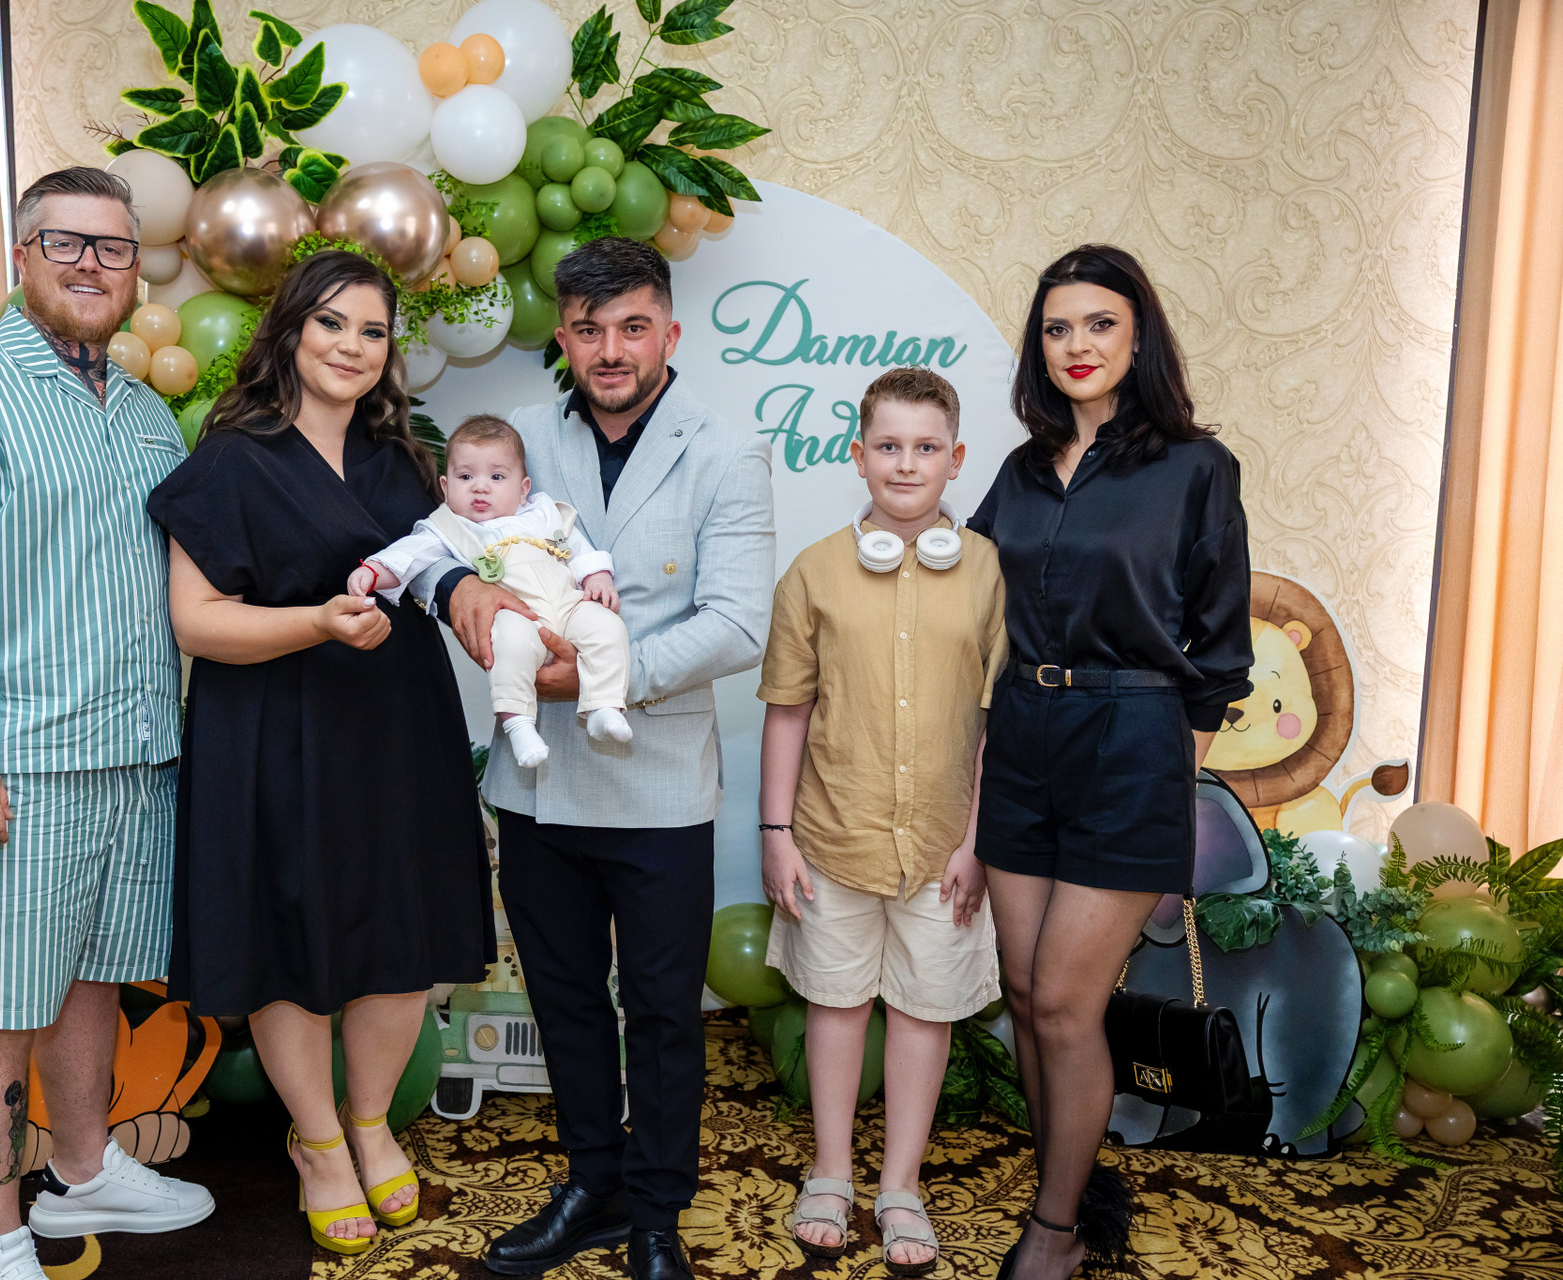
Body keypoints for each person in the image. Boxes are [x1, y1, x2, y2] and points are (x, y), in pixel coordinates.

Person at [0, 167, 215, 1280]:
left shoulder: (146, 413)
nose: (92, 264)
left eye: (115, 247)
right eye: (67, 242)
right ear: (22, 256)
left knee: (92, 979)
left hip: (134, 756)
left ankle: (86, 1171)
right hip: (16, 769)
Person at [408, 237, 775, 1280]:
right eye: (589, 328)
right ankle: (592, 1183)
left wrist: (598, 677)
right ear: (564, 337)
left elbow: (737, 623)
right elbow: (433, 550)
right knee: (563, 1000)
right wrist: (459, 589)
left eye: (632, 327)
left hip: (659, 785)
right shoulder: (516, 441)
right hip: (538, 785)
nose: (611, 349)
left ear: (669, 332)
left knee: (661, 1014)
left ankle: (656, 1209)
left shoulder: (727, 452)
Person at [146, 249, 495, 1258]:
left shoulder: (405, 458)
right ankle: (317, 1140)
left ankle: (371, 1119)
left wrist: (486, 594)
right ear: (292, 328)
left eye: (372, 331)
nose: (351, 346)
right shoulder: (231, 458)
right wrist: (315, 622)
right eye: (332, 323)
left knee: (401, 928)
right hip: (271, 729)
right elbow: (196, 620)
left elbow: (437, 576)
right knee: (285, 938)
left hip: (397, 725)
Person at [966, 245, 1252, 1280]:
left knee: (1063, 1001)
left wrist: (1169, 781)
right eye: (1057, 328)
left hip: (1132, 740)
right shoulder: (1020, 470)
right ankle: (1080, 1194)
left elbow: (1221, 652)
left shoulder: (1196, 469)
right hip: (1021, 736)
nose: (1076, 345)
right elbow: (968, 599)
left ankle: (1053, 1231)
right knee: (1021, 989)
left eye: (1099, 323)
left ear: (1140, 338)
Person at [759, 367, 1007, 1276]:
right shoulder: (814, 572)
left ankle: (901, 1185)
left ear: (956, 459)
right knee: (835, 1004)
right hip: (833, 837)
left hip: (946, 848)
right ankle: (830, 1171)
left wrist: (978, 842)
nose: (907, 464)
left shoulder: (987, 572)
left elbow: (995, 722)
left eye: (926, 448)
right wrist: (775, 834)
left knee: (923, 1011)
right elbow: (788, 711)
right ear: (858, 456)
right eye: (890, 446)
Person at [350, 413, 633, 766]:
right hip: (517, 614)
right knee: (509, 643)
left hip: (569, 604)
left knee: (607, 626)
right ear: (445, 486)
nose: (480, 487)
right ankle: (519, 724)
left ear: (523, 488)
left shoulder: (542, 513)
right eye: (465, 477)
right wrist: (374, 570)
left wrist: (597, 577)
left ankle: (604, 706)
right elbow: (410, 554)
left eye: (497, 477)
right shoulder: (449, 527)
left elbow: (575, 545)